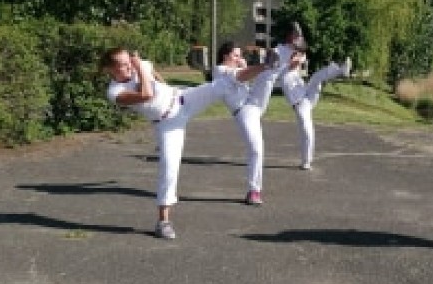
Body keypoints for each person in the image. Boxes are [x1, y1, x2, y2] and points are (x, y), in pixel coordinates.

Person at [100, 47, 228, 239]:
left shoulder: (141, 65)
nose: (128, 67)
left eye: (128, 62)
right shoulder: (115, 91)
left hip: (183, 99)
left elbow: (153, 73)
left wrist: (165, 86)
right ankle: (163, 222)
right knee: (169, 168)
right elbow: (146, 95)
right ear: (110, 69)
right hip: (168, 124)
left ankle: (265, 73)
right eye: (121, 65)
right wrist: (139, 67)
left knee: (222, 85)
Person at [213, 40, 287, 206]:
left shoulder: (239, 67)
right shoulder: (219, 70)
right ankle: (254, 191)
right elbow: (240, 76)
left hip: (254, 101)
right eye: (236, 55)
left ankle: (285, 48)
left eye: (240, 55)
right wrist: (261, 66)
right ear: (226, 56)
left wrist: (261, 66)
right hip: (244, 112)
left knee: (269, 75)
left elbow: (248, 76)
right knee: (256, 149)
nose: (239, 58)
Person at [280, 50, 352, 170]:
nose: (297, 61)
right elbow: (293, 63)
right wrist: (299, 57)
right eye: (294, 57)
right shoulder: (285, 70)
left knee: (316, 77)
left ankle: (341, 70)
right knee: (307, 132)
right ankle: (306, 162)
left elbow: (298, 60)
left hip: (308, 96)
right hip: (300, 105)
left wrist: (300, 54)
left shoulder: (295, 71)